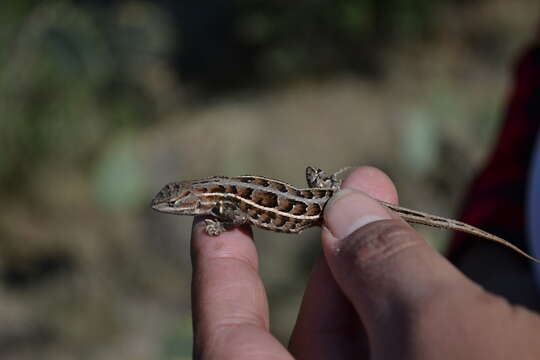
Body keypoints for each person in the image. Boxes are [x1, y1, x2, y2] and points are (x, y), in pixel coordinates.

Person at [189, 40, 540, 359]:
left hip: (316, 211)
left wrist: (221, 224)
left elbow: (235, 216)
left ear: (193, 200)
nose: (175, 207)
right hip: (321, 203)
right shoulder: (221, 192)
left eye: (178, 203)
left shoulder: (225, 204)